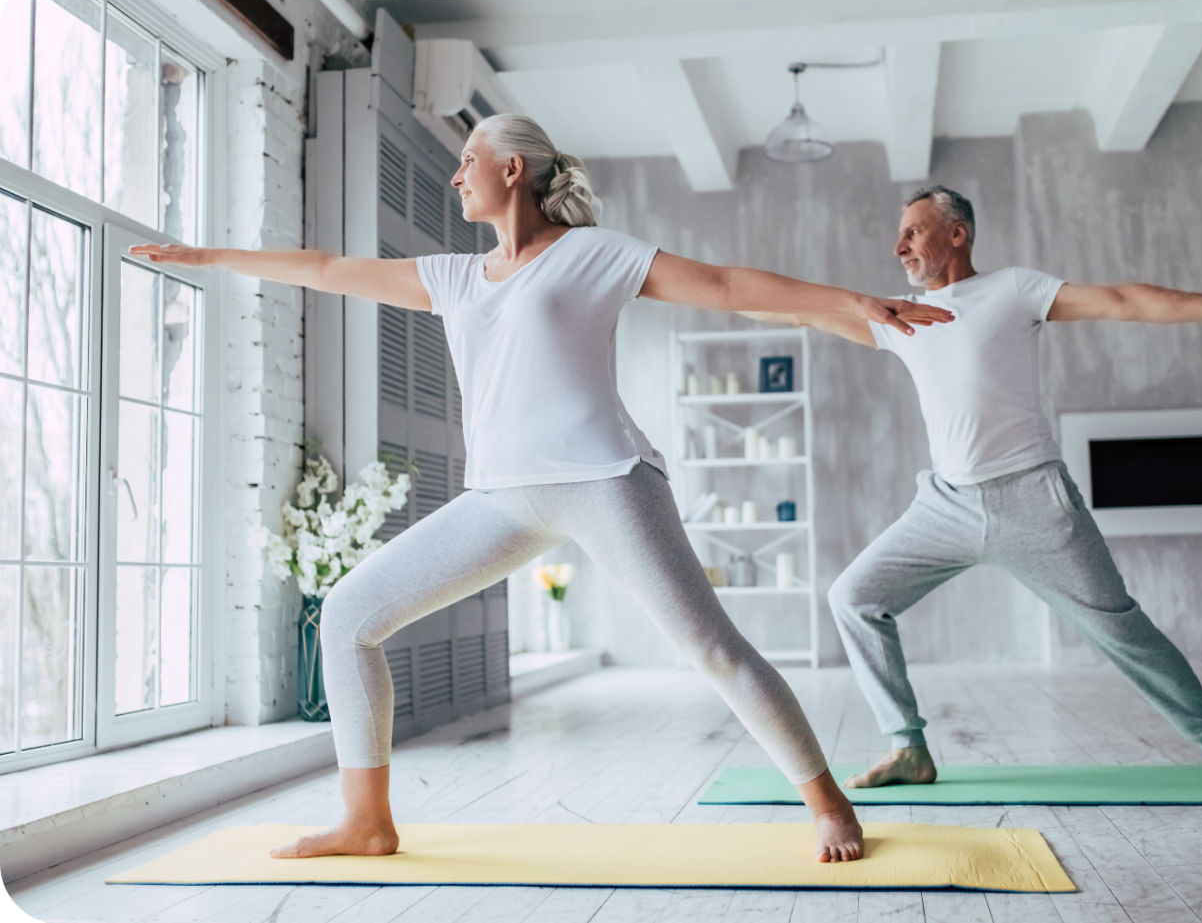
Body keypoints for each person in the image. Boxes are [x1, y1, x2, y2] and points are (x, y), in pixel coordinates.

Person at [130, 115, 955, 863]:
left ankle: (826, 802)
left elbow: (729, 287)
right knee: (348, 617)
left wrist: (853, 303)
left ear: (512, 168)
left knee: (710, 647)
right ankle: (367, 821)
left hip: (606, 480)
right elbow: (328, 267)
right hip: (501, 499)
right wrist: (207, 257)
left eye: (466, 162)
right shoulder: (455, 277)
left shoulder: (592, 253)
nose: (456, 177)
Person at [759, 184, 1202, 792]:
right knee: (853, 597)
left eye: (913, 231)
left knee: (1120, 629)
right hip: (945, 506)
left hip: (1034, 500)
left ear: (957, 234)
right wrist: (698, 295)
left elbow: (1118, 299)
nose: (898, 245)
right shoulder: (897, 317)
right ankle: (908, 748)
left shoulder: (1011, 289)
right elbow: (794, 309)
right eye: (899, 235)